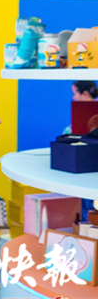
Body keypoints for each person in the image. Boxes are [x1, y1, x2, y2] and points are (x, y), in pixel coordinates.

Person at [67, 80, 98, 221]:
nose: (73, 97)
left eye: (75, 94)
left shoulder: (88, 113)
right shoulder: (82, 114)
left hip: (89, 160)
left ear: (85, 94)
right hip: (88, 158)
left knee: (89, 199)